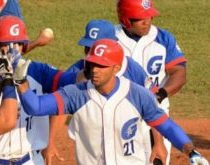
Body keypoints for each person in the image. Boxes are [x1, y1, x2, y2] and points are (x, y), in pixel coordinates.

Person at [17, 39, 209, 165]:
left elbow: (165, 125)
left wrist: (191, 151)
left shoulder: (137, 95)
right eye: (92, 63)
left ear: (116, 68)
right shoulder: (76, 94)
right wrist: (21, 83)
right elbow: (36, 107)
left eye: (102, 65)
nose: (94, 70)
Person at [43, 19, 167, 165]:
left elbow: (152, 105)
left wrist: (158, 143)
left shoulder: (131, 68)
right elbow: (61, 107)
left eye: (95, 48)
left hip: (132, 138)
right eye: (87, 48)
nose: (90, 54)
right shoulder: (77, 71)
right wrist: (50, 142)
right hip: (94, 146)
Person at [0, 15, 81, 164]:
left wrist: (89, 62)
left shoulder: (38, 71)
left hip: (31, 160)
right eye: (7, 44)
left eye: (18, 44)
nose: (14, 50)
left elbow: (73, 80)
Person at [115, 0, 187, 163]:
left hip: (157, 115)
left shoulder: (163, 38)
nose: (147, 21)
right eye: (141, 18)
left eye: (149, 16)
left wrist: (161, 94)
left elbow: (179, 73)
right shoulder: (110, 39)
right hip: (119, 115)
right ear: (125, 19)